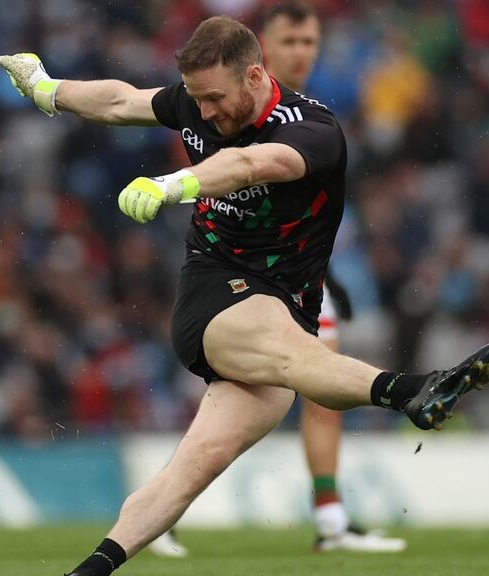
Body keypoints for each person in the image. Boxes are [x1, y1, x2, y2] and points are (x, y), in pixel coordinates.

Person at [0, 15, 489, 576]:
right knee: (296, 356)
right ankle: (412, 390)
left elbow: (249, 165)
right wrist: (46, 89)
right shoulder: (199, 102)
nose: (204, 111)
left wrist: (172, 185)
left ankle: (89, 570)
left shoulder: (312, 129)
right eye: (196, 98)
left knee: (195, 466)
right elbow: (121, 102)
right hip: (216, 290)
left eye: (214, 98)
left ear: (255, 76)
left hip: (286, 305)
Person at [148, 3, 405, 556]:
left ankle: (326, 517)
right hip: (233, 270)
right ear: (261, 53)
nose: (301, 53)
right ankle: (325, 517)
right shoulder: (227, 101)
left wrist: (328, 274)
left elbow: (309, 207)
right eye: (289, 42)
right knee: (298, 377)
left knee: (303, 381)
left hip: (293, 272)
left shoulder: (312, 115)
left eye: (310, 42)